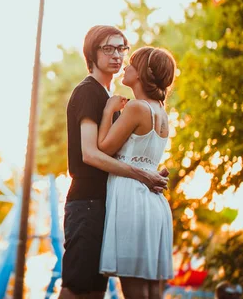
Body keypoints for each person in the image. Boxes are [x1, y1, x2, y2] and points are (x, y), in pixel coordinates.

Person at [60, 26, 169, 299]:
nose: (117, 55)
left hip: (108, 204)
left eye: (121, 49)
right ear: (91, 53)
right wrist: (142, 175)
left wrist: (147, 171)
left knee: (95, 291)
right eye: (108, 49)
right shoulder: (88, 92)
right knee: (76, 289)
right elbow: (91, 154)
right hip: (87, 203)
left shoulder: (113, 99)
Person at [97, 46, 177, 299]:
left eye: (131, 63)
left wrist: (108, 111)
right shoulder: (160, 112)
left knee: (134, 289)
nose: (125, 66)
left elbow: (104, 148)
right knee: (153, 288)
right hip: (154, 203)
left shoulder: (137, 108)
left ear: (142, 73)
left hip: (132, 200)